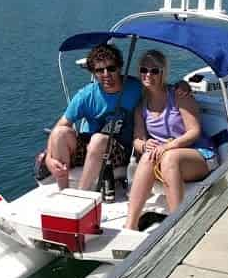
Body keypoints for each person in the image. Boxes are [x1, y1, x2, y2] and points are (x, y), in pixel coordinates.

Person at [125, 50, 218, 230]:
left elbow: (194, 131)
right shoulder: (141, 106)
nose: (148, 75)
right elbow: (137, 139)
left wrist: (169, 146)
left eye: (154, 71)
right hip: (166, 159)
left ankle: (178, 224)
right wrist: (144, 145)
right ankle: (131, 224)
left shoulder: (178, 95)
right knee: (146, 157)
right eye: (144, 70)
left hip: (200, 156)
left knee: (169, 158)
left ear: (163, 72)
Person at [44, 44, 142, 190]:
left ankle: (82, 195)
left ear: (120, 67)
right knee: (59, 133)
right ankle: (63, 191)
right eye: (99, 70)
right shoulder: (86, 95)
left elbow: (162, 91)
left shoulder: (135, 88)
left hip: (119, 151)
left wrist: (182, 88)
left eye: (111, 68)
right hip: (89, 147)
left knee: (97, 140)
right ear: (93, 73)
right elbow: (61, 125)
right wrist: (48, 159)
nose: (106, 74)